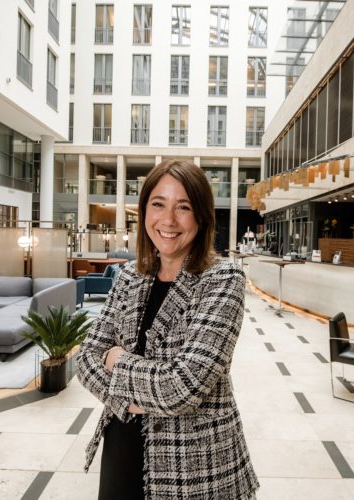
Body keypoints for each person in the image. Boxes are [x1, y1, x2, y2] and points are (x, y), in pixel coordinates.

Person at [77, 159, 258, 499]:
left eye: (184, 207)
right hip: (121, 453)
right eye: (158, 204)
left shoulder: (223, 279)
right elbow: (85, 361)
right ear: (144, 211)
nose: (169, 220)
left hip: (195, 469)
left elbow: (183, 386)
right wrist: (134, 399)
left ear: (201, 216)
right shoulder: (130, 276)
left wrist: (117, 360)